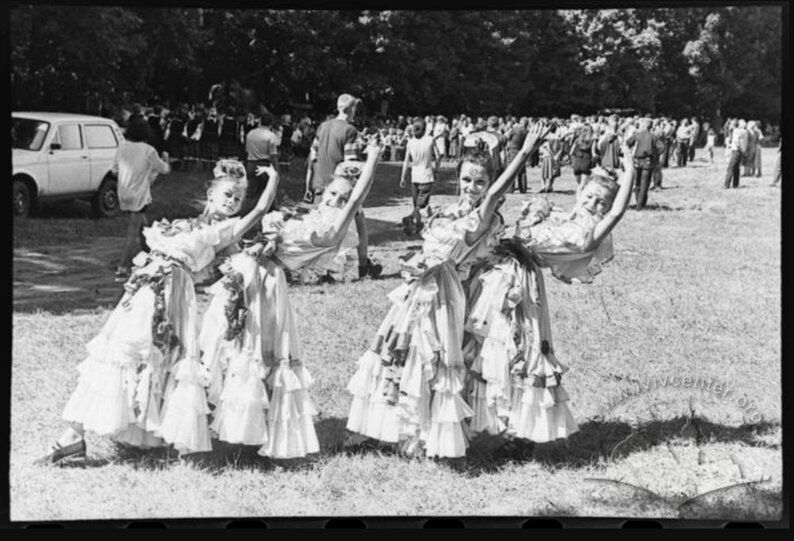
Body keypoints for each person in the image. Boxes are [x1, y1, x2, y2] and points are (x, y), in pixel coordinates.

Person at [35, 161, 281, 465]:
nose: (231, 202)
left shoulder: (224, 231)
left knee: (152, 353)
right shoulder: (185, 224)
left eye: (236, 199)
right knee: (121, 349)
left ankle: (94, 434)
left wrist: (273, 178)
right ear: (211, 194)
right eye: (227, 195)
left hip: (172, 289)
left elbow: (259, 212)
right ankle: (76, 434)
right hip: (147, 284)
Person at [344, 123, 549, 459]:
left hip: (449, 295)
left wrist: (523, 153)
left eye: (480, 181)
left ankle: (431, 436)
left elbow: (495, 196)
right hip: (420, 290)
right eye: (466, 179)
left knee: (437, 361)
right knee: (402, 354)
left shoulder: (486, 216)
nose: (472, 187)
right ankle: (386, 430)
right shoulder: (448, 211)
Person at [200, 143, 382, 459]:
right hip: (246, 274)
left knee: (259, 354)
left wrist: (374, 160)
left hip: (269, 288)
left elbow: (356, 197)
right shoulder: (305, 217)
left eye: (341, 199)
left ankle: (255, 435)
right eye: (331, 194)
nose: (334, 201)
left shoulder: (332, 229)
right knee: (225, 346)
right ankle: (223, 426)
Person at [463, 144, 636, 452]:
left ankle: (521, 434)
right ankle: (489, 417)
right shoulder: (563, 218)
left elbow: (619, 210)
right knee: (487, 345)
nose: (594, 204)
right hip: (498, 274)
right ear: (581, 193)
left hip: (523, 288)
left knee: (522, 351)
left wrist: (631, 168)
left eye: (602, 202)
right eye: (590, 196)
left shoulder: (591, 232)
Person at [306, 93, 382, 279]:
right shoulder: (350, 131)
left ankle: (319, 268)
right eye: (355, 108)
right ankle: (363, 266)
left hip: (320, 184)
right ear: (351, 109)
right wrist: (372, 157)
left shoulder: (323, 127)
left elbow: (312, 155)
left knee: (324, 229)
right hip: (340, 187)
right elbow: (351, 165)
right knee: (359, 224)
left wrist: (308, 184)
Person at [111, 120, 171, 281]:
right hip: (139, 194)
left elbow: (114, 170)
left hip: (123, 192)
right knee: (132, 232)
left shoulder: (122, 147)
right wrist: (166, 158)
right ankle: (122, 268)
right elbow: (164, 169)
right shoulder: (148, 150)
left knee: (144, 227)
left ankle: (150, 253)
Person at [400, 118, 440, 235]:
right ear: (425, 129)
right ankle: (410, 218)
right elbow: (438, 156)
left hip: (414, 176)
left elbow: (406, 161)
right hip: (426, 175)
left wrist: (403, 177)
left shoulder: (410, 142)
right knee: (421, 205)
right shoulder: (430, 140)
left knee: (416, 202)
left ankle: (418, 225)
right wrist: (436, 169)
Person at [244, 110, 281, 212]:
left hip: (251, 164)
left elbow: (247, 150)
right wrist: (276, 170)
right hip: (265, 165)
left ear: (259, 121)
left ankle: (246, 211)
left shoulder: (250, 133)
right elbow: (273, 155)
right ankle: (273, 212)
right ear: (271, 123)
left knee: (251, 193)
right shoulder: (271, 136)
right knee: (269, 191)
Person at [625, 117, 658, 209]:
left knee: (637, 183)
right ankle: (640, 204)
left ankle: (638, 201)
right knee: (645, 184)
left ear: (643, 125)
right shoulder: (654, 137)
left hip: (637, 160)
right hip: (648, 161)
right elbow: (661, 148)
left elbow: (627, 142)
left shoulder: (637, 135)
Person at [506, 118, 528, 193]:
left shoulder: (515, 129)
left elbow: (508, 137)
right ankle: (523, 188)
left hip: (513, 150)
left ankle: (510, 188)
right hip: (522, 150)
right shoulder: (527, 131)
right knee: (522, 171)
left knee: (511, 170)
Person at [724, 119, 748, 189]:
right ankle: (735, 184)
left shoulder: (737, 131)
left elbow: (737, 143)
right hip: (740, 151)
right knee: (736, 168)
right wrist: (743, 151)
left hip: (736, 151)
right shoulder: (745, 131)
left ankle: (727, 184)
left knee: (730, 168)